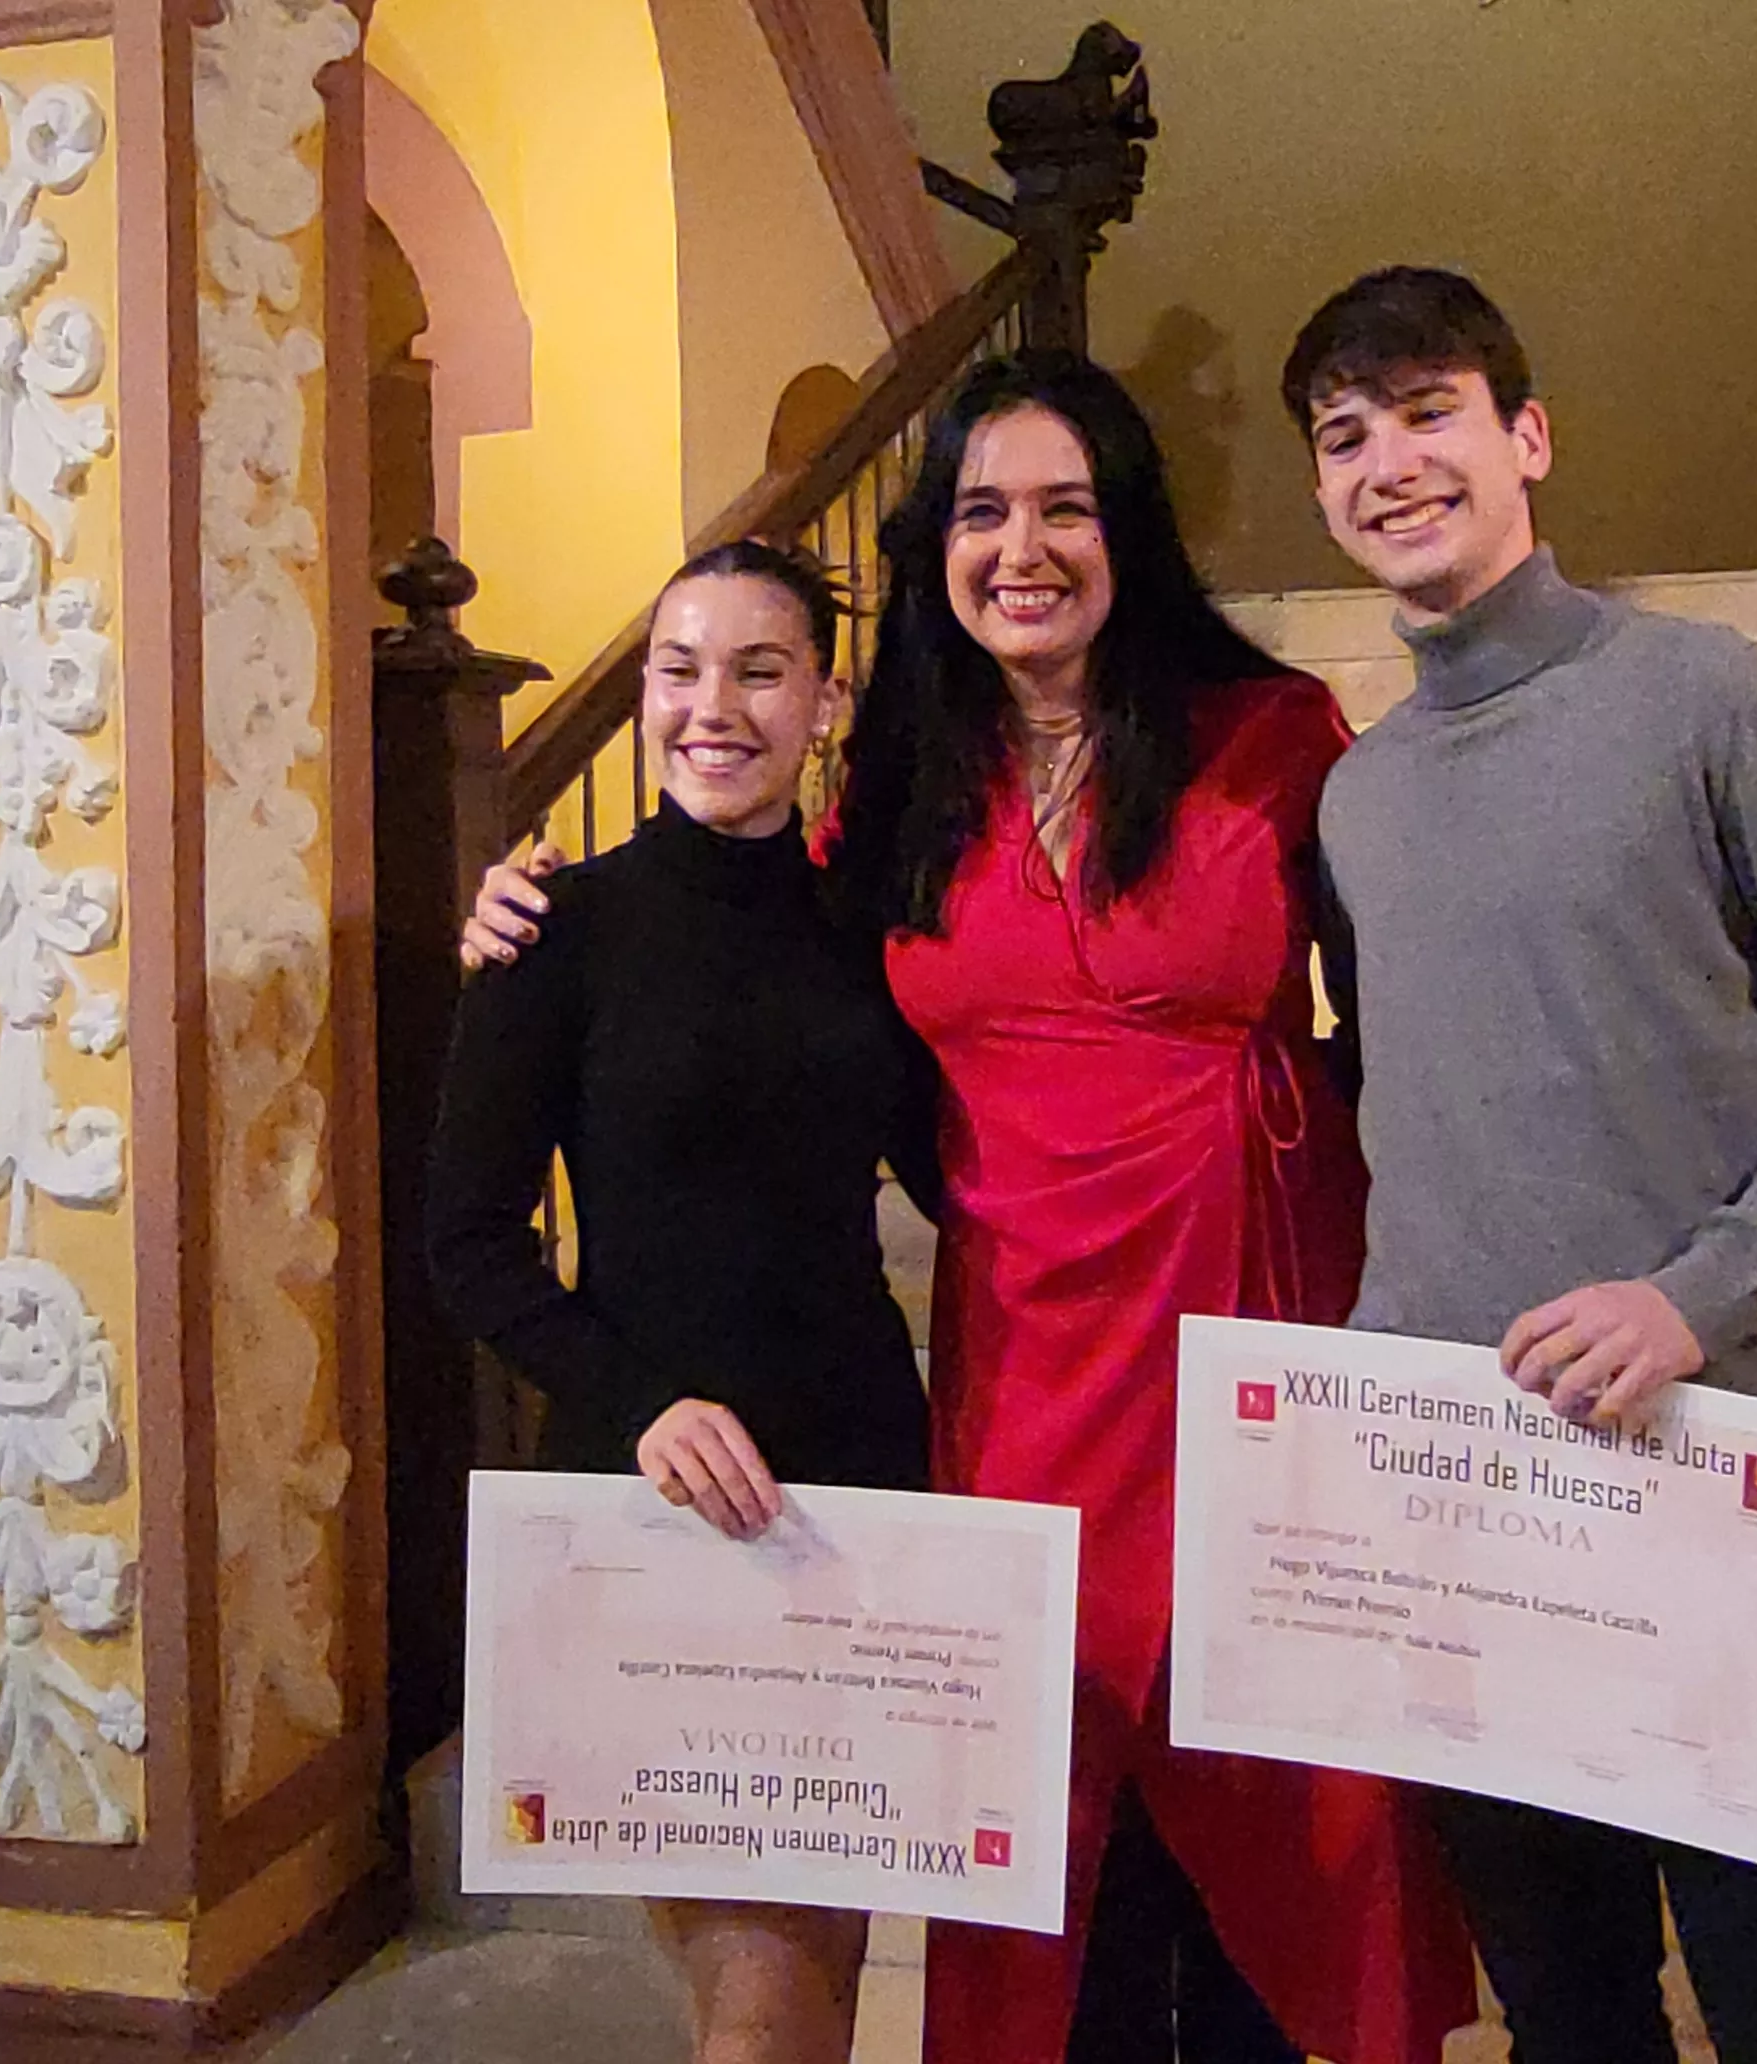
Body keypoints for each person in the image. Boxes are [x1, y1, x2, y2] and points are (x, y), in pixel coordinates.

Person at [463, 354, 1474, 2064]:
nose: (1023, 548)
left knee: (1277, 1792)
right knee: (1050, 1813)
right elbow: (756, 963)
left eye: (1065, 507)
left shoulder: (1274, 738)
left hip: (1247, 1321)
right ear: (937, 545)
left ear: (1125, 529)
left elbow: (1422, 1031)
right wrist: (520, 910)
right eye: (983, 511)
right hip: (1025, 1354)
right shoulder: (903, 789)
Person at [1289, 267, 1757, 2064]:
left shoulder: (1709, 701)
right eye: (1343, 437)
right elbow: (1406, 1097)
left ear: (1526, 437)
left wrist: (1696, 1297)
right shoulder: (1358, 794)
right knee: (1566, 2007)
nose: (1386, 464)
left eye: (1426, 412)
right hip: (1468, 1491)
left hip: (1715, 1459)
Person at [426, 540, 932, 2064]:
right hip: (650, 1509)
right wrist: (639, 1404)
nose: (712, 707)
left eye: (759, 672)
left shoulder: (874, 932)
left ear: (824, 704)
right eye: (678, 669)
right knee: (763, 1999)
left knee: (809, 1981)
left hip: (856, 1496)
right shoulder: (552, 929)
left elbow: (966, 1172)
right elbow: (468, 1243)